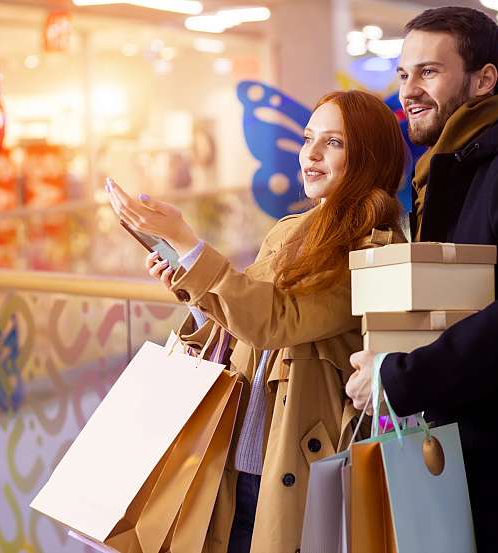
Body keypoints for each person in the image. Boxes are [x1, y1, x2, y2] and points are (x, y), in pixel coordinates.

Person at [106, 89, 406, 553]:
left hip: (295, 465)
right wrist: (188, 285)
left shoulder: (372, 250)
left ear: (369, 157)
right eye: (309, 138)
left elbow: (277, 322)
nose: (311, 154)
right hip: (236, 459)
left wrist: (189, 244)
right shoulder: (288, 231)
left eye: (334, 143)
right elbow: (246, 330)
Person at [344, 7, 498, 552]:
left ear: (484, 79)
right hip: (459, 462)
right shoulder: (447, 168)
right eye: (404, 73)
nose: (408, 89)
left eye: (429, 72)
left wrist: (402, 375)